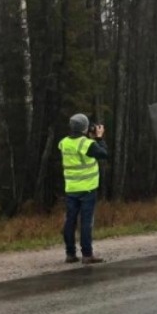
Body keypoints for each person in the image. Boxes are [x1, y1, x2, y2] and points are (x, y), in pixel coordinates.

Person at [60, 113, 110, 264]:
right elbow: (103, 153)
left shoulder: (64, 143)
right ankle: (87, 254)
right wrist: (99, 137)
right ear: (84, 128)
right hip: (87, 188)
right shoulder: (87, 144)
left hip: (71, 188)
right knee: (86, 222)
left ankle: (70, 253)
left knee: (70, 221)